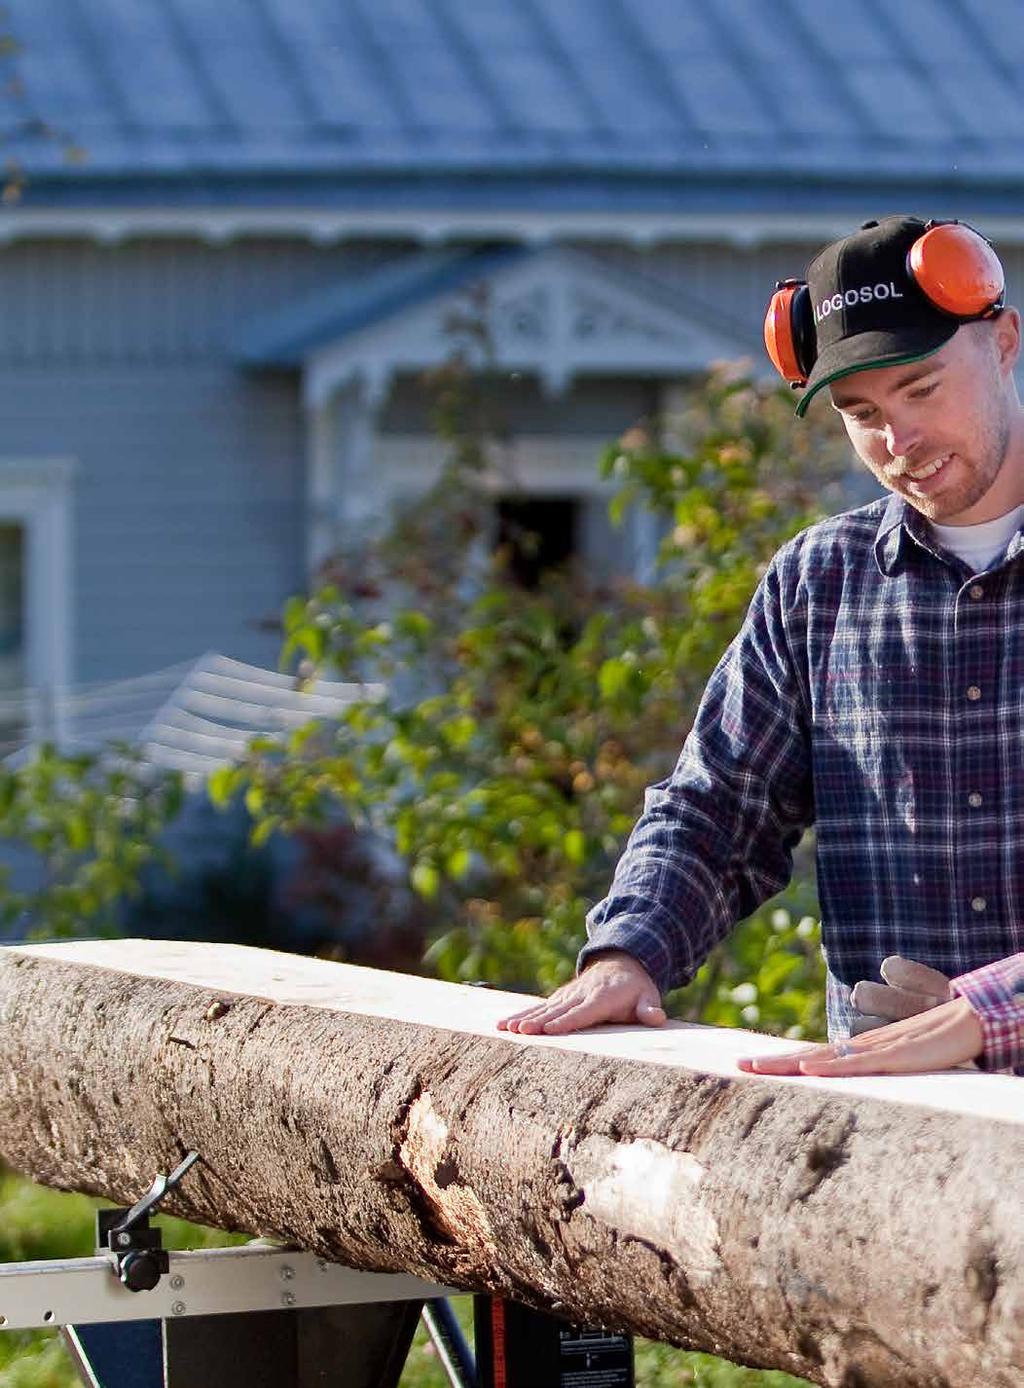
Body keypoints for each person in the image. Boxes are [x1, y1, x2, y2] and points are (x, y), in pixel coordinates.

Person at [498, 214, 1024, 1078]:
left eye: (922, 389)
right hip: (892, 1146)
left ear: (1003, 340)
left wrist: (987, 1013)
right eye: (862, 413)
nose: (900, 444)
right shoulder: (820, 584)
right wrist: (630, 952)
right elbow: (717, 813)